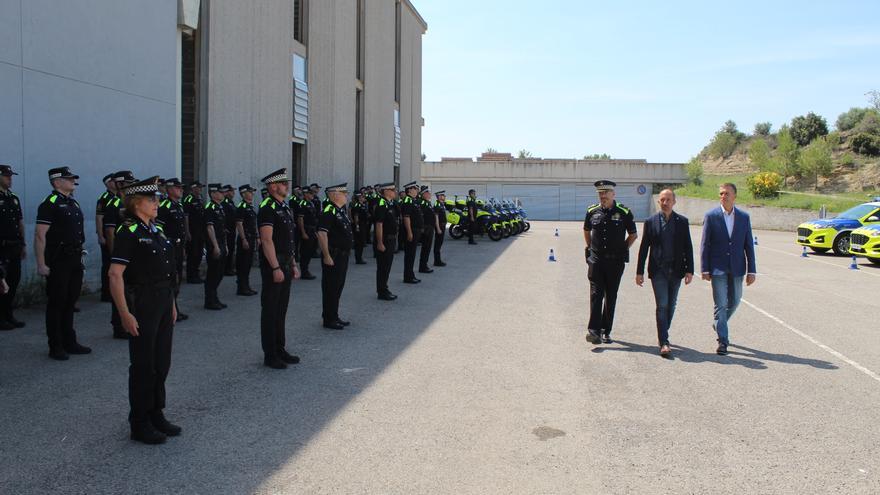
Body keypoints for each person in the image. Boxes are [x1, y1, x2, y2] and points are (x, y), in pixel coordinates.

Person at [108, 176, 181, 445]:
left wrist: (172, 303)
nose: (157, 202)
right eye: (152, 199)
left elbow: (166, 273)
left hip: (163, 299)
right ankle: (139, 422)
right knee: (143, 365)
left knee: (162, 362)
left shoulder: (156, 230)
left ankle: (156, 413)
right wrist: (125, 314)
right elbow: (115, 275)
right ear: (136, 202)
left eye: (157, 198)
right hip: (143, 301)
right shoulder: (128, 233)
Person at [34, 166, 91, 360]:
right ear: (57, 182)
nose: (73, 181)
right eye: (69, 179)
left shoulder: (73, 203)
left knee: (70, 301)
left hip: (74, 258)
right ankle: (55, 345)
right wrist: (41, 264)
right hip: (58, 260)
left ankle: (70, 341)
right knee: (57, 302)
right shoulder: (49, 203)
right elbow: (40, 235)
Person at [700, 183, 757, 355]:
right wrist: (704, 268)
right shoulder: (711, 216)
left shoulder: (744, 217)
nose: (723, 196)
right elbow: (705, 244)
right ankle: (723, 341)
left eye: (727, 193)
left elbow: (748, 245)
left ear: (735, 196)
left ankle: (718, 323)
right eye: (721, 193)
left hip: (738, 267)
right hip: (717, 268)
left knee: (735, 301)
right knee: (721, 304)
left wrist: (752, 270)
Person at [635, 189, 694, 357]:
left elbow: (687, 247)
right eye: (662, 200)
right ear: (659, 202)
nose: (665, 202)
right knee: (662, 305)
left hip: (676, 270)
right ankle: (664, 341)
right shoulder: (651, 221)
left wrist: (690, 269)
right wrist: (639, 272)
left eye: (668, 199)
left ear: (674, 201)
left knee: (671, 304)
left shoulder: (682, 222)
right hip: (658, 270)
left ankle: (663, 330)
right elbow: (644, 247)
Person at [583, 180, 638, 345]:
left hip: (615, 261)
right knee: (595, 294)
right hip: (597, 260)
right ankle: (594, 331)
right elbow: (586, 230)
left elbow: (633, 234)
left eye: (606, 193)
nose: (603, 196)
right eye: (600, 193)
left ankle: (606, 330)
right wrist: (589, 247)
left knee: (610, 295)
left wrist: (623, 248)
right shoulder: (592, 211)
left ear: (613, 194)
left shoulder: (624, 212)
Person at [257, 168, 301, 369]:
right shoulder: (267, 207)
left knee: (281, 310)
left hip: (285, 263)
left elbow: (288, 240)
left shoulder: (284, 207)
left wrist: (292, 264)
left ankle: (280, 348)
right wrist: (275, 267)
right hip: (273, 265)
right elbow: (266, 240)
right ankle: (270, 354)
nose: (287, 186)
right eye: (283, 183)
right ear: (273, 186)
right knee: (270, 311)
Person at [104, 171, 136, 339]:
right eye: (129, 182)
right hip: (120, 253)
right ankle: (118, 326)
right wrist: (114, 253)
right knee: (120, 290)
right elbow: (110, 231)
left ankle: (129, 321)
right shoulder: (113, 203)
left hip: (132, 254)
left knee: (130, 290)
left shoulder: (130, 203)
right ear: (120, 184)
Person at [317, 183, 353, 330]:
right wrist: (326, 255)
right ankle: (329, 319)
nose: (346, 195)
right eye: (344, 192)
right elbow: (321, 233)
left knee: (338, 286)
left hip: (342, 255)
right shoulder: (329, 210)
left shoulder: (340, 211)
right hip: (333, 255)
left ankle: (334, 315)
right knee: (331, 287)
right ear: (334, 195)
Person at [157, 178, 189, 322]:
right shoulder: (164, 206)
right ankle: (168, 311)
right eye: (177, 188)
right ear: (169, 189)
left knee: (177, 280)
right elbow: (159, 229)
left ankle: (174, 308)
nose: (181, 190)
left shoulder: (179, 205)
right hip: (169, 248)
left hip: (178, 247)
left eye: (181, 188)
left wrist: (182, 247)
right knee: (170, 280)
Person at [0, 164, 26, 330]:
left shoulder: (13, 198)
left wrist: (23, 244)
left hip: (14, 247)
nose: (10, 179)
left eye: (11, 176)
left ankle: (8, 315)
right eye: (6, 176)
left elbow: (20, 222)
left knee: (13, 281)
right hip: (1, 248)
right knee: (1, 284)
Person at [203, 183, 229, 310]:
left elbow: (223, 228)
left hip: (221, 242)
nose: (222, 194)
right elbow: (210, 227)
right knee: (213, 273)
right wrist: (215, 246)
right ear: (213, 193)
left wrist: (225, 245)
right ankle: (210, 300)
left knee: (220, 272)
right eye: (219, 192)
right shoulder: (210, 208)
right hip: (214, 244)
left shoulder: (220, 207)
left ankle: (215, 297)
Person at [373, 183, 399, 300]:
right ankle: (382, 291)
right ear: (386, 191)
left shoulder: (390, 204)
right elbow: (379, 224)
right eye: (393, 190)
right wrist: (379, 242)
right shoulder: (381, 204)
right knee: (383, 267)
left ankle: (384, 288)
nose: (395, 192)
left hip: (391, 239)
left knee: (387, 266)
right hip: (385, 240)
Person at [235, 184, 259, 296]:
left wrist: (257, 237)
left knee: (248, 263)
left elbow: (254, 224)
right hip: (245, 238)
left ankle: (246, 286)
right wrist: (244, 239)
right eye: (250, 192)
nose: (252, 194)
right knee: (243, 264)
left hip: (252, 237)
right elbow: (239, 224)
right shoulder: (242, 207)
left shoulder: (250, 207)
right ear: (244, 194)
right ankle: (242, 287)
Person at [95, 173, 116, 302]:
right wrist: (101, 236)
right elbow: (99, 218)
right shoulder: (104, 198)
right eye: (113, 181)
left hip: (116, 236)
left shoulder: (118, 197)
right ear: (108, 184)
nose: (116, 183)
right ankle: (106, 293)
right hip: (108, 237)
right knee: (107, 265)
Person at [183, 181, 205, 283]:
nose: (201, 189)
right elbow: (186, 217)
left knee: (199, 253)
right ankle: (191, 276)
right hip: (193, 231)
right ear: (193, 188)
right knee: (193, 253)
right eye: (199, 187)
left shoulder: (200, 199)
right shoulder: (189, 200)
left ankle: (196, 274)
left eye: (201, 188)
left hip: (200, 231)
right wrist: (187, 232)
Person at [400, 182, 423, 283]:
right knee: (409, 254)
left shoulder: (413, 200)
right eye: (415, 189)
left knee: (412, 254)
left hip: (415, 230)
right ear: (409, 190)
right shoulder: (407, 200)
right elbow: (406, 217)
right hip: (411, 230)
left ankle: (411, 275)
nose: (417, 190)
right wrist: (409, 232)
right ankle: (408, 277)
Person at [297, 187, 319, 280]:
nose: (312, 195)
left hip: (312, 229)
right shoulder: (302, 204)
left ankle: (306, 269)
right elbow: (300, 219)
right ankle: (304, 271)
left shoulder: (311, 203)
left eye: (312, 193)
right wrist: (303, 232)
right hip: (307, 229)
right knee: (305, 251)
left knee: (310, 250)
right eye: (310, 193)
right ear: (306, 194)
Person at [418, 186, 437, 274]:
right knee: (425, 248)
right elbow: (421, 217)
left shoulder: (427, 203)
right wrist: (423, 228)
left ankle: (424, 265)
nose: (430, 194)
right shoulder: (423, 203)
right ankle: (422, 266)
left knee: (427, 248)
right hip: (427, 229)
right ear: (424, 194)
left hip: (430, 228)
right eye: (428, 193)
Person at [221, 185, 237, 276]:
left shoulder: (231, 202)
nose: (233, 193)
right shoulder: (224, 203)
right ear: (226, 192)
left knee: (231, 249)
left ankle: (229, 268)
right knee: (227, 249)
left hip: (232, 229)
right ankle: (226, 269)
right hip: (227, 230)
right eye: (231, 191)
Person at [350, 191, 369, 265]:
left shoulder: (362, 205)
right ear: (360, 198)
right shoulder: (357, 205)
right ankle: (358, 258)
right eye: (363, 197)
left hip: (363, 225)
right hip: (359, 225)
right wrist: (357, 226)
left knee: (361, 242)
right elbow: (356, 216)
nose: (364, 198)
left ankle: (360, 257)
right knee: (359, 242)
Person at [433, 190, 448, 267]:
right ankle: (437, 261)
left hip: (442, 226)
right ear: (439, 196)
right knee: (437, 244)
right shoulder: (437, 205)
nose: (444, 197)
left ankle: (438, 260)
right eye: (443, 195)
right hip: (440, 226)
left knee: (440, 243)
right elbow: (436, 217)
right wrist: (438, 228)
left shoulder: (441, 204)